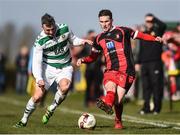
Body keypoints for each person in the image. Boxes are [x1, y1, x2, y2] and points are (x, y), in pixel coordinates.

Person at [77, 9, 162, 129]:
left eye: (106, 21)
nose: (104, 24)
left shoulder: (123, 31)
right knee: (110, 88)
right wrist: (83, 59)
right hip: (110, 70)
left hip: (126, 70)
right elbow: (93, 57)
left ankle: (117, 118)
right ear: (99, 22)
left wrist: (154, 39)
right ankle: (107, 104)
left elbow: (140, 35)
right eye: (101, 22)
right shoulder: (98, 39)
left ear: (111, 20)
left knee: (119, 99)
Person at [14, 13, 92, 128]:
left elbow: (73, 40)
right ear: (42, 27)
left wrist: (82, 41)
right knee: (37, 97)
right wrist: (39, 78)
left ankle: (51, 108)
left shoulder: (64, 28)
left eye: (52, 29)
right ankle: (24, 119)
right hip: (48, 68)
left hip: (65, 66)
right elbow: (36, 62)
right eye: (47, 30)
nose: (51, 32)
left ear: (55, 24)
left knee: (65, 87)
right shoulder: (40, 41)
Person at [136, 13, 166, 115]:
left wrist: (154, 18)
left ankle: (157, 108)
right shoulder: (143, 33)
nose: (149, 23)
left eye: (150, 21)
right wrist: (138, 62)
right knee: (145, 87)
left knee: (156, 85)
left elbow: (163, 25)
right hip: (144, 63)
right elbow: (141, 49)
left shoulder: (158, 31)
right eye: (147, 21)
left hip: (155, 62)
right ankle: (146, 107)